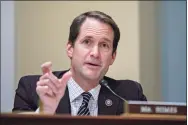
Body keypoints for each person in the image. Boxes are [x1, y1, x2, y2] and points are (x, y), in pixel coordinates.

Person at [13, 11, 147, 116]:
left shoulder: (130, 95)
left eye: (104, 45)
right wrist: (45, 112)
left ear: (113, 56)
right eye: (87, 42)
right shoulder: (33, 89)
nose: (95, 53)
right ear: (70, 49)